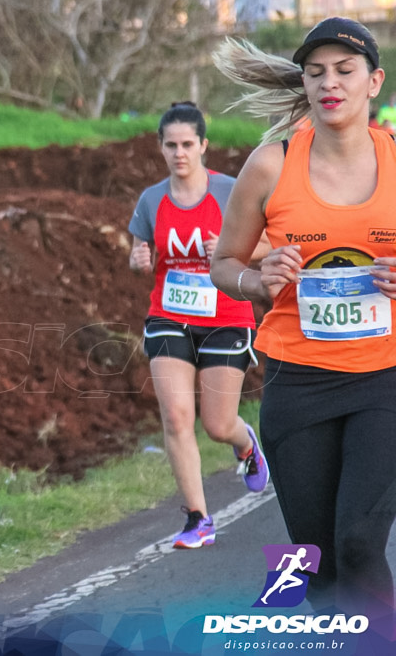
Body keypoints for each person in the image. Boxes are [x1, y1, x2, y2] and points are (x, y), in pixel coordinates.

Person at [211, 17, 396, 629]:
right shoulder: (270, 165)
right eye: (316, 73)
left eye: (345, 71)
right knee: (316, 564)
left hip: (384, 377)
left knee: (361, 543)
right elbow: (225, 263)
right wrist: (258, 281)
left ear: (375, 82)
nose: (329, 84)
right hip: (298, 377)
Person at [128, 101, 270, 550]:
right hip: (168, 316)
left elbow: (272, 242)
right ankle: (197, 519)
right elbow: (140, 255)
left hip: (226, 315)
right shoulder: (151, 200)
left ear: (204, 145)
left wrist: (230, 249)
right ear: (161, 147)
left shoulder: (230, 190)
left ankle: (245, 443)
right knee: (175, 416)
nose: (179, 153)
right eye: (170, 145)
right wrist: (138, 259)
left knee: (216, 423)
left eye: (188, 144)